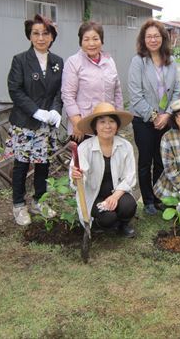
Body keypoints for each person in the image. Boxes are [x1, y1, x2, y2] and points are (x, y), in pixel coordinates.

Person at [7, 14, 63, 226]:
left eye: (45, 33)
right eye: (36, 33)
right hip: (25, 122)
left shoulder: (58, 61)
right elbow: (15, 90)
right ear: (30, 36)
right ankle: (19, 205)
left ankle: (40, 200)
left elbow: (60, 91)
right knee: (22, 164)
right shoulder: (20, 60)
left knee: (44, 163)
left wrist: (56, 110)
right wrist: (35, 111)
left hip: (46, 123)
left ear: (52, 37)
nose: (40, 38)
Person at [128, 19, 180, 216]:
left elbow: (176, 91)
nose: (153, 39)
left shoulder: (171, 61)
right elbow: (135, 95)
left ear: (163, 38)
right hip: (143, 120)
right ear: (143, 39)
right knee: (145, 161)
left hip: (165, 120)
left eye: (156, 36)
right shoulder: (138, 62)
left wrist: (167, 115)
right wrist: (153, 116)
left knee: (162, 160)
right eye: (149, 36)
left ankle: (160, 197)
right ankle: (148, 199)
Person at [70, 103, 137, 238]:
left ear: (117, 125)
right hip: (94, 195)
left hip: (116, 192)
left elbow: (130, 176)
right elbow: (77, 179)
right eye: (102, 122)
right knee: (108, 218)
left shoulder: (125, 146)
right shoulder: (84, 148)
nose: (107, 126)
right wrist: (77, 176)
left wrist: (115, 196)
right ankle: (102, 224)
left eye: (111, 121)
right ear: (95, 126)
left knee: (129, 205)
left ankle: (122, 225)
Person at [62, 21, 123, 142]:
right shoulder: (73, 62)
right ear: (81, 42)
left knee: (108, 160)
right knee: (85, 160)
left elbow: (117, 92)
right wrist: (78, 124)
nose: (91, 43)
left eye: (95, 39)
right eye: (86, 39)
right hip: (84, 127)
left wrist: (118, 119)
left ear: (101, 40)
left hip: (107, 126)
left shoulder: (109, 61)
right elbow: (67, 95)